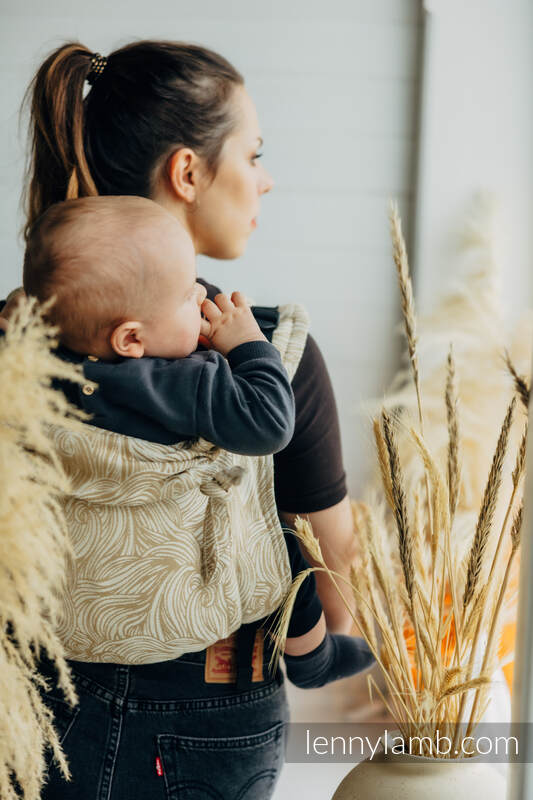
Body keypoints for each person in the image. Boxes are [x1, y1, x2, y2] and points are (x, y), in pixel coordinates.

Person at [0, 41, 362, 799]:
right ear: (188, 172)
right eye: (253, 154)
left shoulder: (18, 343)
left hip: (31, 702)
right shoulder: (271, 351)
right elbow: (337, 581)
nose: (264, 179)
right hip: (209, 713)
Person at [22, 193, 373, 693]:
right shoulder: (186, 380)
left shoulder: (38, 368)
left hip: (66, 616)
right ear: (131, 340)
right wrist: (247, 342)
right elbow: (270, 422)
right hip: (189, 609)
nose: (204, 300)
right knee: (278, 543)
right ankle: (310, 653)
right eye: (189, 294)